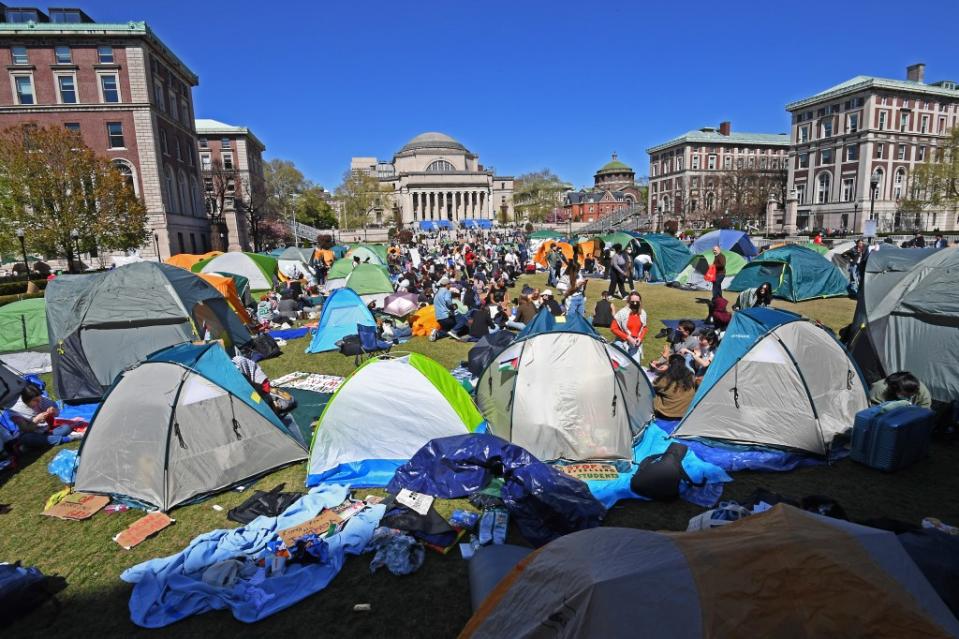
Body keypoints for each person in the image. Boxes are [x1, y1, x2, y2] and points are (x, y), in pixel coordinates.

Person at [8, 383, 76, 449]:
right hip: (32, 434)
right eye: (35, 400)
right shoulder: (16, 410)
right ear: (27, 400)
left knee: (66, 428)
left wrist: (54, 411)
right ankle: (67, 439)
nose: (39, 402)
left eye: (39, 399)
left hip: (46, 432)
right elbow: (26, 429)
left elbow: (57, 413)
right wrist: (36, 420)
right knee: (26, 438)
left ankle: (44, 441)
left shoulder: (42, 399)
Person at [652, 354, 698, 420]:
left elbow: (652, 386)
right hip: (684, 412)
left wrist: (658, 370)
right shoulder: (691, 376)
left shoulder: (666, 379)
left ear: (670, 365)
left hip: (667, 413)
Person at [610, 291, 648, 360]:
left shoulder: (643, 313)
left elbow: (644, 328)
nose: (635, 303)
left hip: (635, 345)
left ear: (640, 302)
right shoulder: (622, 313)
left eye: (637, 301)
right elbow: (613, 328)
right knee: (621, 368)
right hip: (622, 343)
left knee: (634, 367)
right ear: (629, 301)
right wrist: (628, 337)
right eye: (633, 301)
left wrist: (640, 338)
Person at [868, 371, 932, 409]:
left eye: (910, 396)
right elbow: (874, 411)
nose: (907, 398)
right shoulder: (880, 389)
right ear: (894, 389)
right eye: (905, 395)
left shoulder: (922, 392)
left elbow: (925, 412)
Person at [430, 277, 466, 341]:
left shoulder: (437, 293)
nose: (451, 285)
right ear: (447, 284)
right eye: (450, 284)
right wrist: (453, 306)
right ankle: (454, 331)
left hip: (439, 318)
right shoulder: (446, 291)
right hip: (446, 316)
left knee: (447, 331)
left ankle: (436, 334)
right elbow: (448, 301)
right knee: (463, 320)